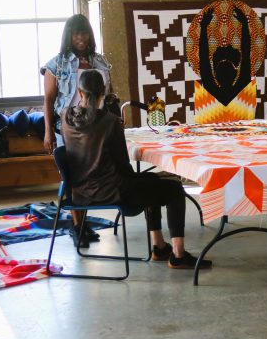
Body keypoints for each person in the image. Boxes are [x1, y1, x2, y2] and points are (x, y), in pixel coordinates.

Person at [61, 70, 212, 269]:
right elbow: (123, 165)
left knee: (152, 182)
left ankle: (159, 246)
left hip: (80, 194)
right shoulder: (109, 123)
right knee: (174, 189)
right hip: (111, 194)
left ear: (80, 93)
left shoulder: (65, 118)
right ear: (103, 93)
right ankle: (178, 254)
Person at [43, 14, 113, 245]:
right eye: (76, 34)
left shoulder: (101, 62)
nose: (80, 38)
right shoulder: (57, 64)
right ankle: (76, 226)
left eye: (84, 33)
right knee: (72, 176)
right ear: (69, 36)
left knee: (91, 174)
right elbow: (48, 100)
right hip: (68, 129)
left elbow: (110, 94)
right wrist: (46, 132)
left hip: (98, 127)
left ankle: (84, 223)